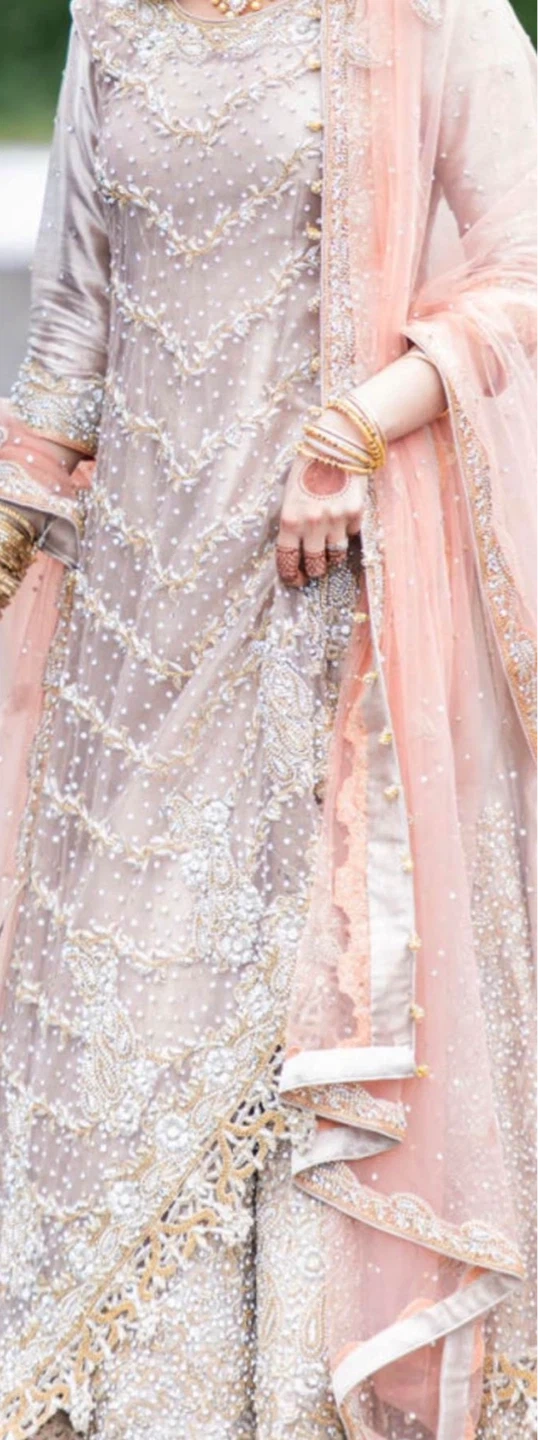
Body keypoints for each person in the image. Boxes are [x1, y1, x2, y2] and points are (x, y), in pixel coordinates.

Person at [0, 0, 537, 1435]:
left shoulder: (421, 14)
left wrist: (358, 424)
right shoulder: (109, 22)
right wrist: (16, 508)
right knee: (117, 1019)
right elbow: (74, 325)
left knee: (302, 1012)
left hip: (328, 606)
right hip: (132, 629)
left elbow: (523, 267)